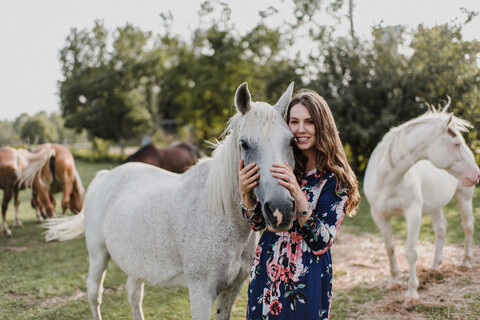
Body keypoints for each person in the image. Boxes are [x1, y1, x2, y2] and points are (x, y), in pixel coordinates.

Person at [239, 89, 360, 319]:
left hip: (305, 278)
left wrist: (297, 192)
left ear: (322, 126)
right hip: (267, 268)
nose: (301, 129)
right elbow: (258, 224)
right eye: (294, 121)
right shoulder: (283, 164)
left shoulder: (336, 180)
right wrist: (246, 194)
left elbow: (321, 242)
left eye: (309, 122)